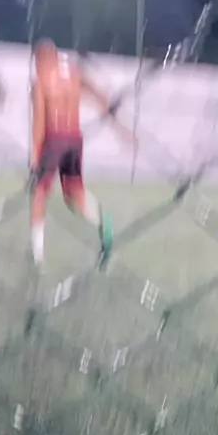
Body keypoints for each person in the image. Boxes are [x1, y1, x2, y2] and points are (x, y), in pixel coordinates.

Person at [30, 40, 134, 268]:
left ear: (41, 59)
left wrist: (35, 156)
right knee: (73, 192)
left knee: (39, 193)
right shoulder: (75, 74)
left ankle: (37, 258)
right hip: (74, 140)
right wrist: (122, 130)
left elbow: (39, 122)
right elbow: (99, 97)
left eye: (36, 61)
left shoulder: (41, 82)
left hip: (54, 138)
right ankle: (101, 219)